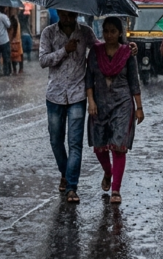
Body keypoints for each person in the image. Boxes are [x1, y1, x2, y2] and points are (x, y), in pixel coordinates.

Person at [40, 10, 105, 203]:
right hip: (54, 95)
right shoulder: (48, 33)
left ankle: (71, 187)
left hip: (78, 94)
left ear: (76, 14)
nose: (68, 18)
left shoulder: (85, 32)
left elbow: (100, 50)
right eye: (64, 15)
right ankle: (65, 172)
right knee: (55, 140)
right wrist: (64, 50)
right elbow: (43, 60)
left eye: (72, 15)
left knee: (75, 143)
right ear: (59, 12)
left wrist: (125, 48)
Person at [85, 17, 144, 204]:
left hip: (123, 104)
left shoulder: (128, 53)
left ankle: (116, 190)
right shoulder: (95, 52)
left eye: (113, 31)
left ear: (120, 33)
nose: (109, 35)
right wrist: (91, 101)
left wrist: (139, 107)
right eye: (106, 30)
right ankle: (108, 171)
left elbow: (134, 81)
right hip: (100, 105)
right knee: (99, 146)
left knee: (119, 147)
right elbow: (88, 79)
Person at [8, 9, 24, 74]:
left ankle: (14, 70)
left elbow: (9, 34)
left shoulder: (10, 26)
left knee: (13, 57)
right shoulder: (18, 24)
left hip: (12, 42)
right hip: (18, 42)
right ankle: (21, 69)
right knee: (20, 56)